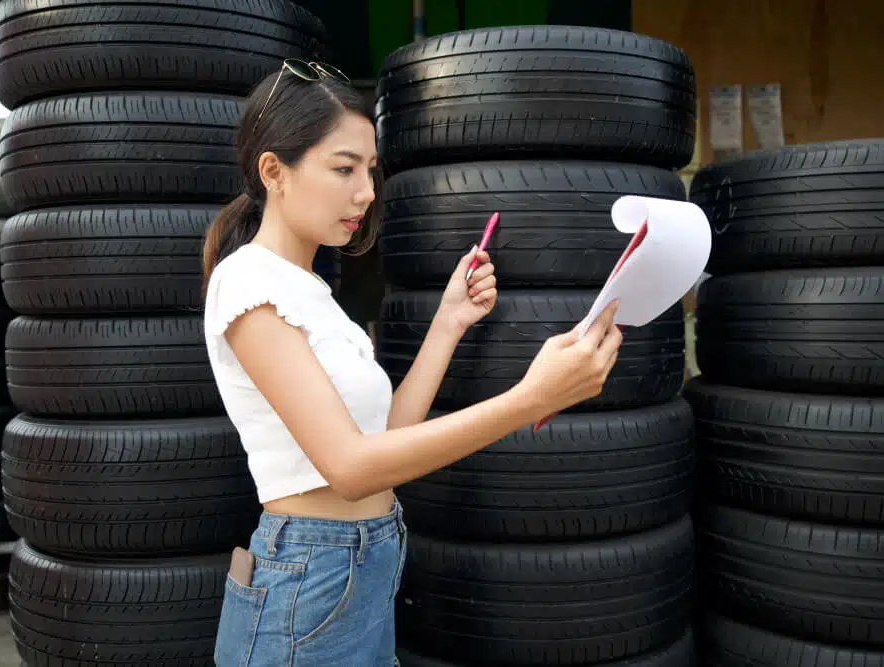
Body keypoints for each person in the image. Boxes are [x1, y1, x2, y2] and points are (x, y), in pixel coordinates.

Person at [202, 59, 624, 667]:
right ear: (275, 171)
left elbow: (386, 445)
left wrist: (448, 323)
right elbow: (348, 469)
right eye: (344, 168)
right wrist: (529, 399)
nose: (367, 192)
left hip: (364, 564)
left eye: (369, 171)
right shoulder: (247, 284)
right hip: (310, 579)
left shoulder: (311, 291)